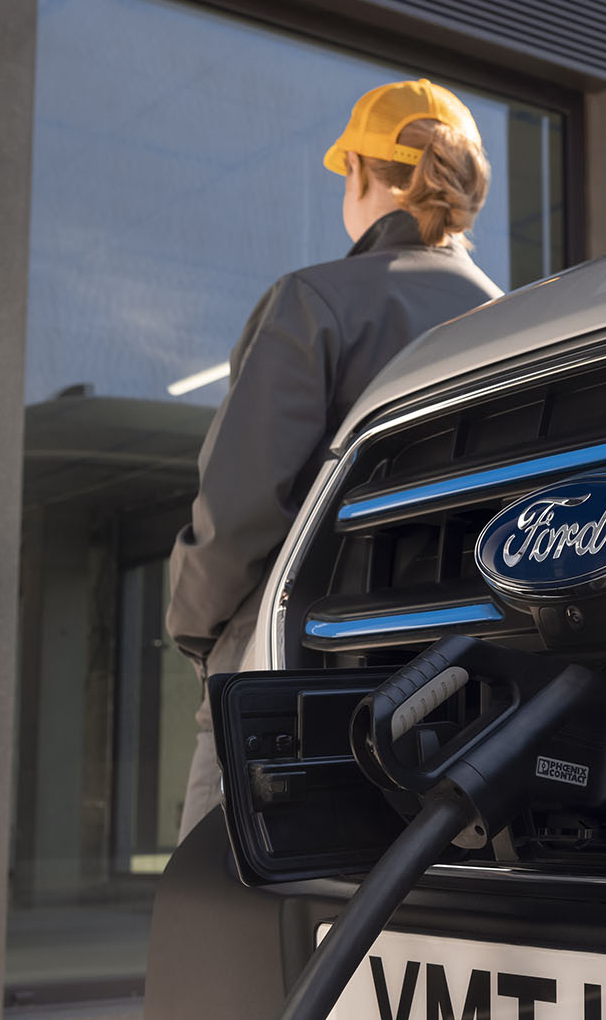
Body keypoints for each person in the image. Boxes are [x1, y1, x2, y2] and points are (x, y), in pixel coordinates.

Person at [166, 79, 502, 838]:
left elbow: (239, 510)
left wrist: (195, 627)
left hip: (289, 682)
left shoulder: (315, 304)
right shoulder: (517, 322)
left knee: (223, 930)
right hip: (460, 703)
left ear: (359, 174)